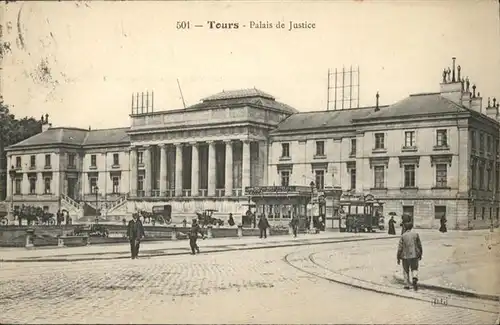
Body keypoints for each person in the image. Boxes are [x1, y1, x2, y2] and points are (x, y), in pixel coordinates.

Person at [397, 223, 423, 291]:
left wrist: (398, 257)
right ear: (411, 227)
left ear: (405, 227)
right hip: (414, 255)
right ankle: (414, 278)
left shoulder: (403, 236)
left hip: (405, 256)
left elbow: (400, 248)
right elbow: (419, 245)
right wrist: (420, 254)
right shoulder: (416, 234)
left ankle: (407, 284)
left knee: (406, 270)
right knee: (414, 268)